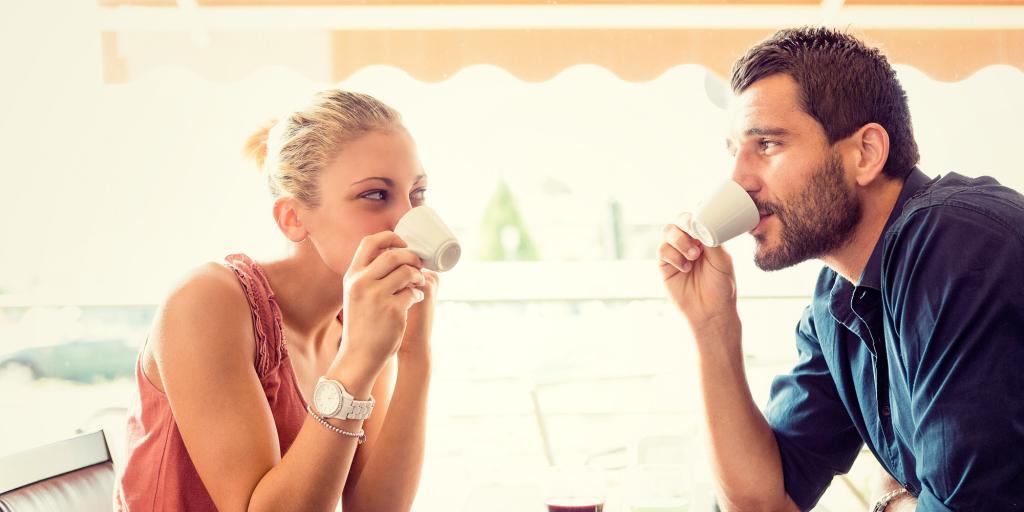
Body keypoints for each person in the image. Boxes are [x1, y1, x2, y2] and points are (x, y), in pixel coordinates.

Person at [659, 27, 1024, 511]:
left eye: (767, 145)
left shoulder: (957, 244)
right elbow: (764, 503)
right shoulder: (840, 299)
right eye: (734, 152)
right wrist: (712, 327)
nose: (738, 180)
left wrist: (892, 500)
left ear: (866, 154)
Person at [116, 90, 437, 511]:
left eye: (418, 195)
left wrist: (415, 354)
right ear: (292, 218)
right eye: (375, 195)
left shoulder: (354, 325)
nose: (406, 221)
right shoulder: (206, 301)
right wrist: (358, 359)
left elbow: (374, 508)